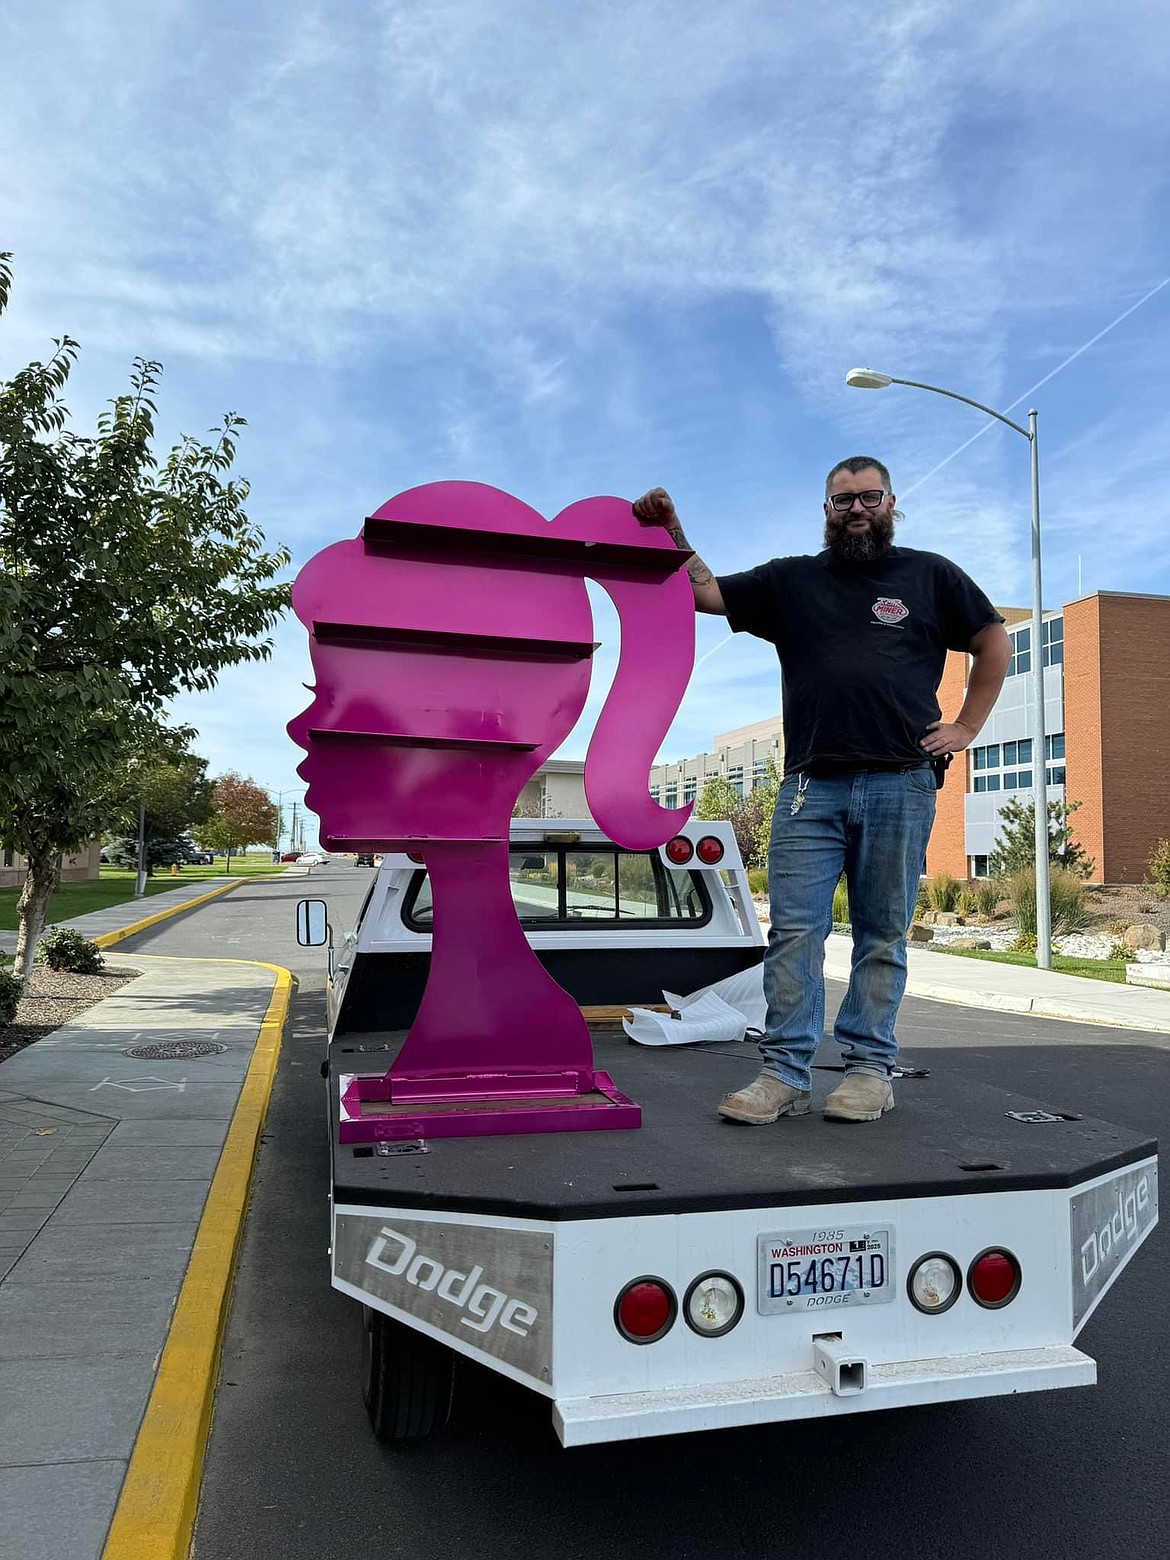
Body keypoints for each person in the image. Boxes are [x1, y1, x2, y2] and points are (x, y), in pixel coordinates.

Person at [633, 459, 1011, 1125]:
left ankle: (869, 1071)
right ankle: (783, 1074)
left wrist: (968, 725)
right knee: (796, 934)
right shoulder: (793, 581)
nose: (856, 509)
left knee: (882, 934)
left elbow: (991, 640)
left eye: (868, 497)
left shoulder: (929, 576)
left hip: (902, 782)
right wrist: (672, 530)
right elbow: (707, 594)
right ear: (826, 509)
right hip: (811, 789)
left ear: (891, 501)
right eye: (842, 501)